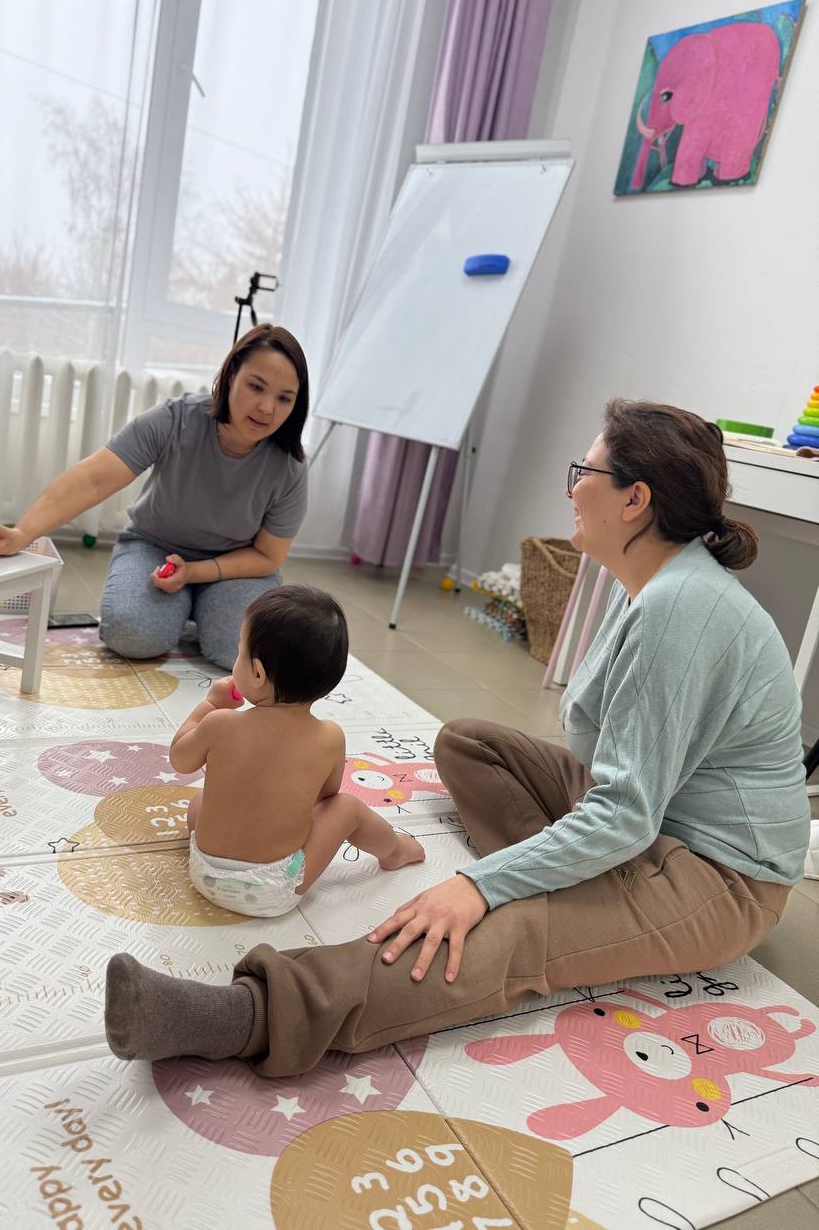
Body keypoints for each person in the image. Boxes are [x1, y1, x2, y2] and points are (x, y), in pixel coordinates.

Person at [103, 399, 810, 1077]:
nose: (571, 490)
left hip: (719, 874)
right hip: (652, 815)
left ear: (636, 500)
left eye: (584, 473)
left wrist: (482, 886)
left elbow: (626, 814)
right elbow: (612, 767)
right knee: (470, 743)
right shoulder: (654, 586)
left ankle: (249, 1015)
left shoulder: (679, 609)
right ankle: (574, 888)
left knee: (505, 927)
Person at [0, 324, 310, 670]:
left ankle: (199, 605)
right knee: (131, 634)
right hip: (155, 548)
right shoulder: (176, 419)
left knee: (241, 652)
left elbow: (268, 556)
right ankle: (182, 607)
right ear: (230, 377)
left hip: (236, 565)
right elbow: (92, 480)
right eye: (256, 387)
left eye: (284, 398)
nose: (267, 408)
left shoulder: (290, 466)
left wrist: (195, 573)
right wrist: (22, 534)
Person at [167, 584, 424, 919]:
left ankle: (219, 858)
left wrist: (209, 705)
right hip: (272, 891)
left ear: (256, 673)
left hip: (205, 875)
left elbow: (180, 758)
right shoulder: (330, 737)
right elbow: (326, 797)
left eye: (239, 652)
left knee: (201, 800)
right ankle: (394, 850)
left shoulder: (220, 723)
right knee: (346, 807)